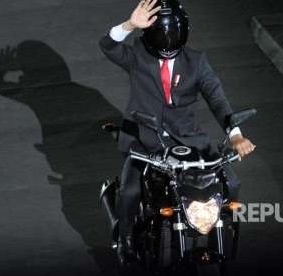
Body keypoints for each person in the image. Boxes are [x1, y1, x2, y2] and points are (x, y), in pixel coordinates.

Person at [98, 0, 255, 263]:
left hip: (190, 141)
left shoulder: (196, 62)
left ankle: (225, 226)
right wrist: (129, 25)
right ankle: (124, 241)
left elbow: (217, 99)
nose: (168, 41)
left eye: (174, 34)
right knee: (130, 191)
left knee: (233, 182)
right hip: (145, 141)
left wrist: (235, 134)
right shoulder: (138, 55)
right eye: (161, 34)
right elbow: (108, 46)